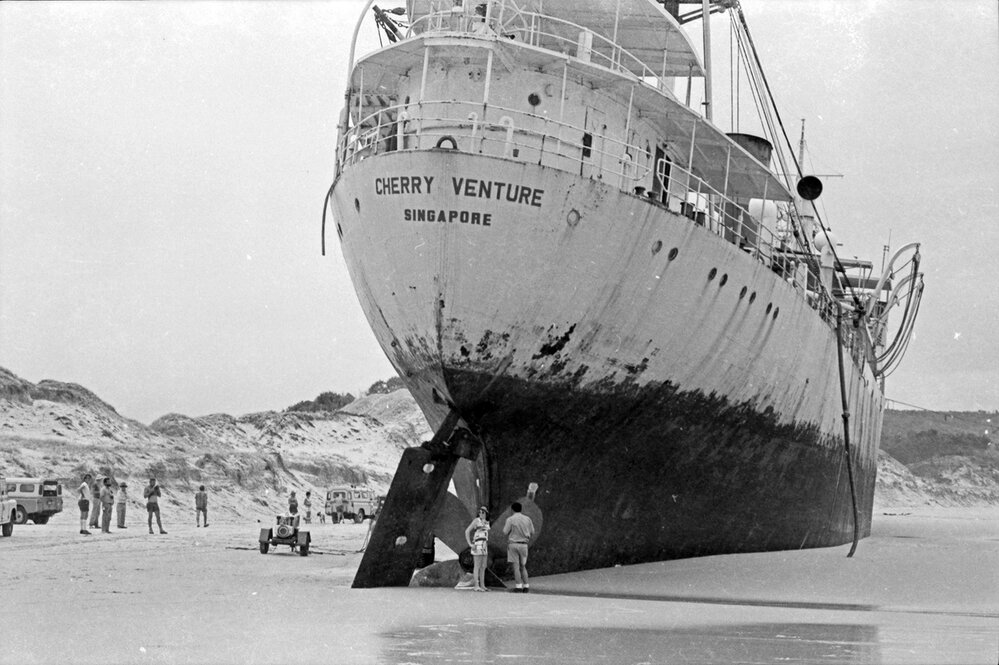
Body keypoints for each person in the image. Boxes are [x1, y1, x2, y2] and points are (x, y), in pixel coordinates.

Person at [502, 501, 535, 593]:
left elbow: (505, 531)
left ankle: (518, 586)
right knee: (523, 566)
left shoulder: (510, 519)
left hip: (513, 544)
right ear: (521, 509)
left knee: (516, 566)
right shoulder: (527, 519)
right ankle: (526, 586)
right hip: (524, 545)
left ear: (512, 509)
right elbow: (532, 532)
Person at [464, 506, 490, 592]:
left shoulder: (487, 522)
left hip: (484, 545)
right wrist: (470, 544)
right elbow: (467, 531)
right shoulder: (476, 521)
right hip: (477, 544)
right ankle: (476, 585)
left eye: (483, 512)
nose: (481, 514)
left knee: (483, 566)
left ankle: (482, 585)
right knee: (477, 566)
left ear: (486, 513)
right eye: (480, 512)